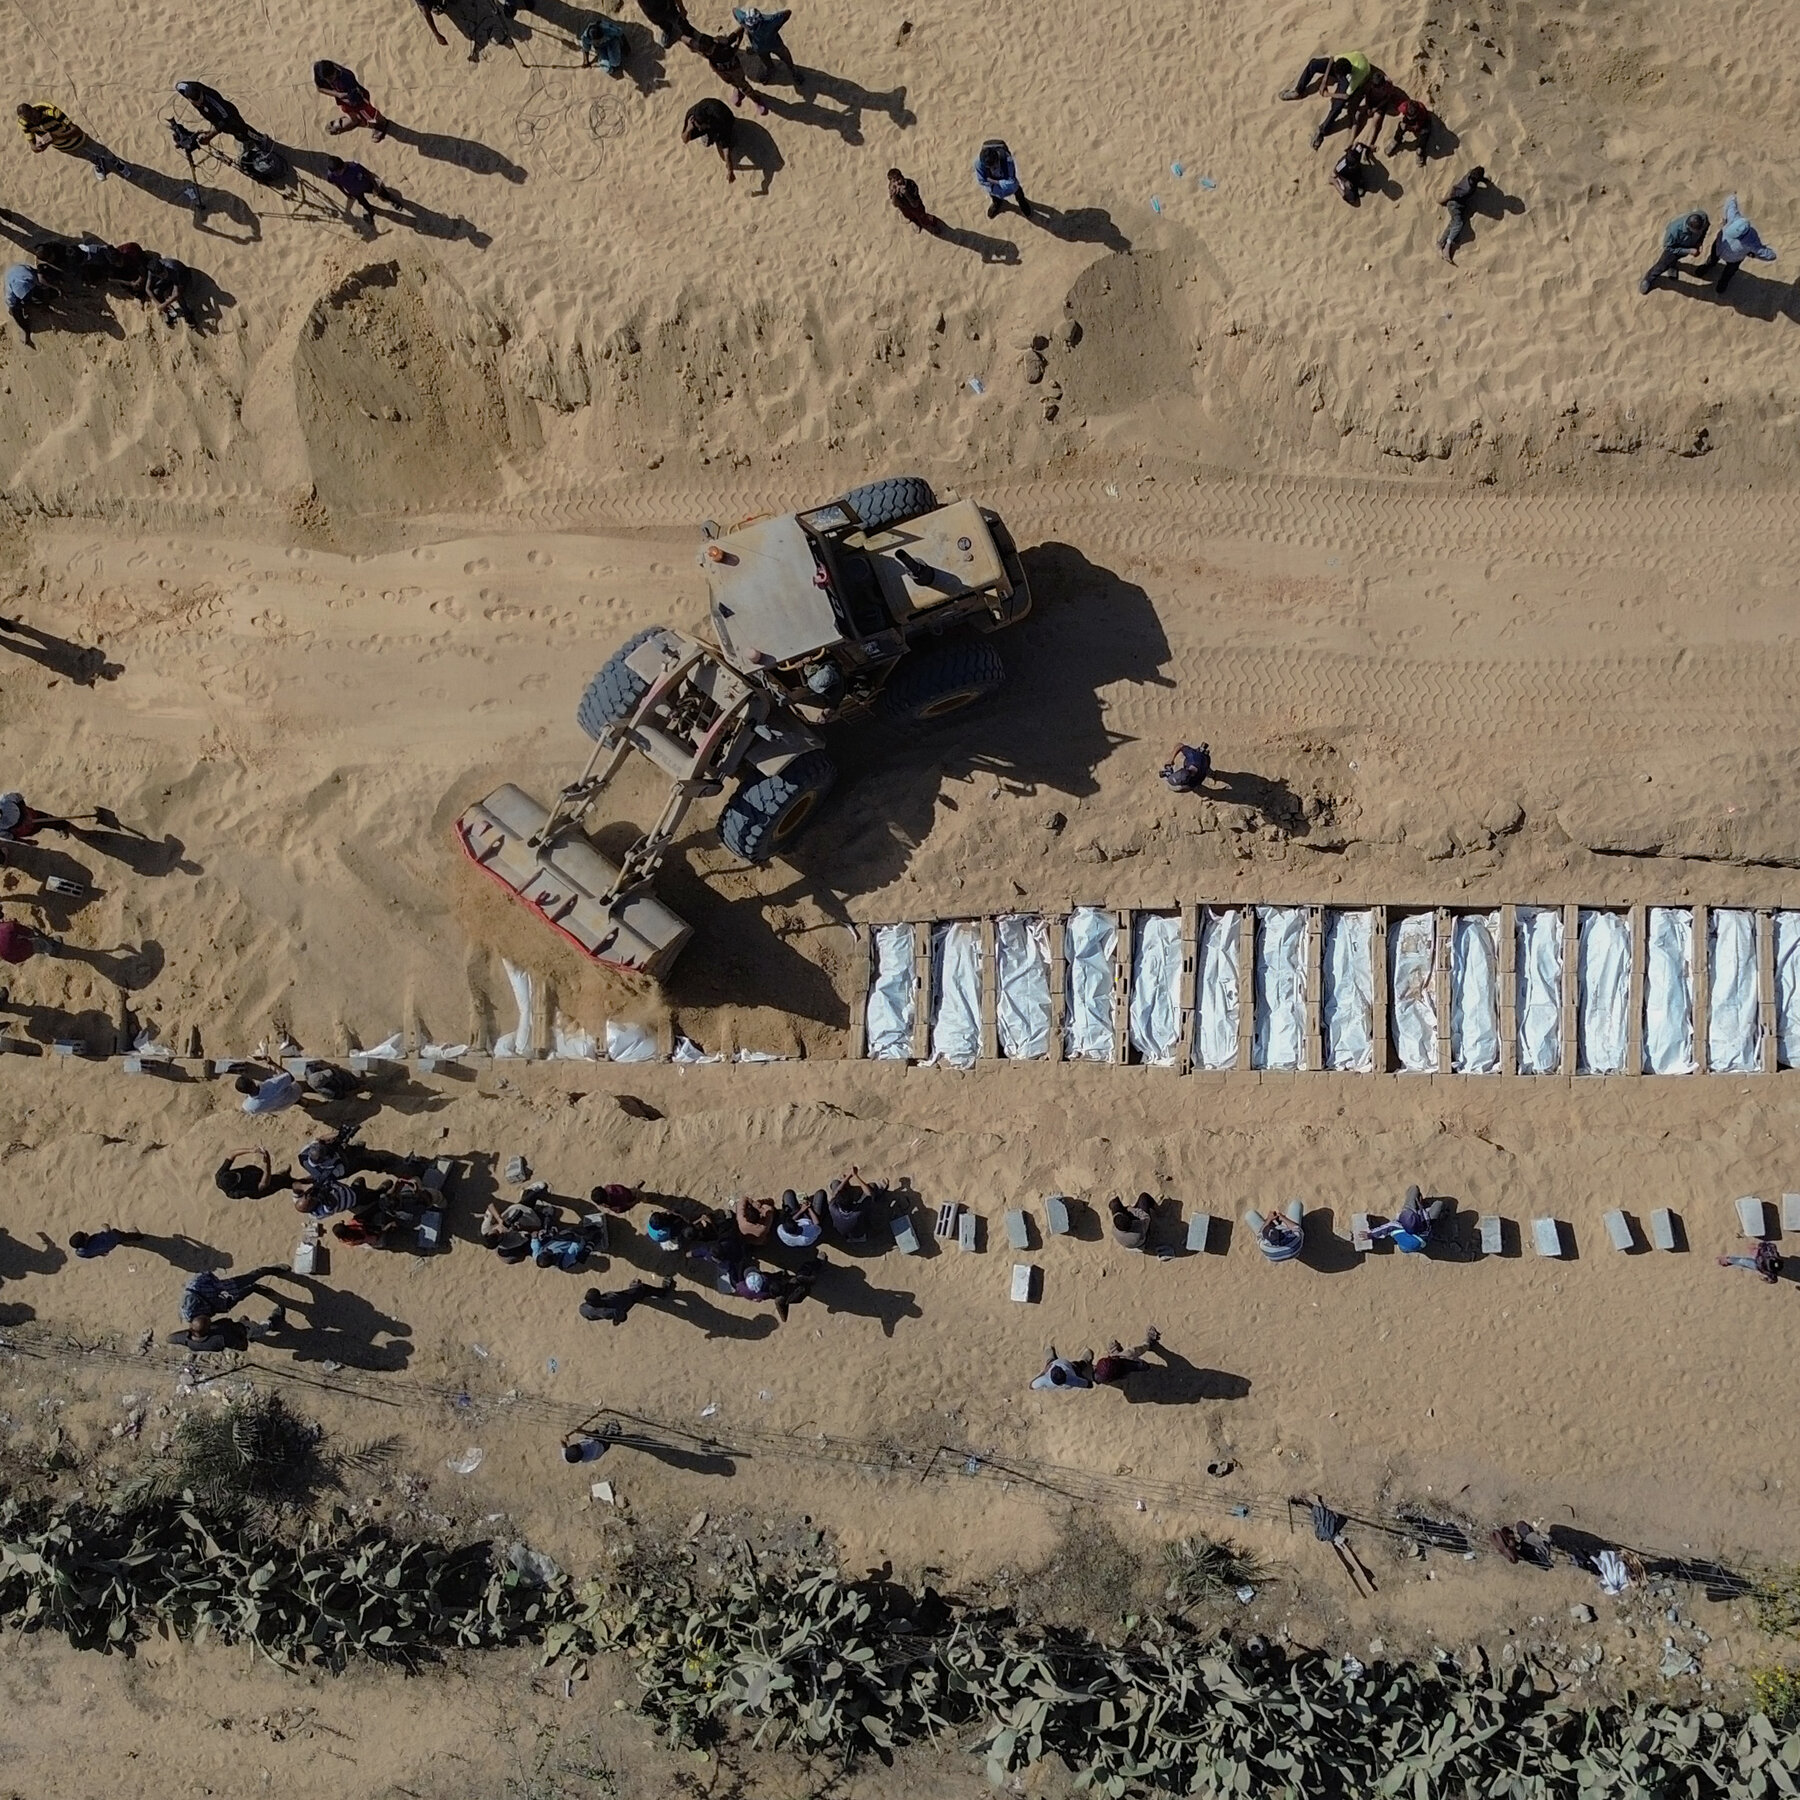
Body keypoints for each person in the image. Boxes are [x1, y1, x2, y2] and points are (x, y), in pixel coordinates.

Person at [17, 102, 125, 176]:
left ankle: (116, 162)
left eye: (34, 116)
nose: (34, 121)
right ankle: (98, 162)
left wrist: (56, 137)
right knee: (86, 156)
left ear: (33, 109)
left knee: (100, 150)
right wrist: (39, 147)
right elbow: (32, 146)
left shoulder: (51, 111)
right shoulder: (24, 123)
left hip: (79, 139)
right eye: (30, 120)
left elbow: (76, 130)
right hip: (63, 147)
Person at [1697, 194, 1777, 294]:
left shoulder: (1752, 241)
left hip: (1734, 259)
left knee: (1728, 273)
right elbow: (1730, 199)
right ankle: (1707, 266)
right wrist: (1725, 217)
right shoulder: (1734, 218)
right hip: (1718, 248)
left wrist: (1753, 254)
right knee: (1711, 260)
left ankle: (1722, 283)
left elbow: (1771, 256)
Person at [691, 32, 768, 113]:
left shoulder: (724, 47)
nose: (709, 52)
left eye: (710, 49)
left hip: (735, 70)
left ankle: (755, 98)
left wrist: (738, 40)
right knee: (733, 83)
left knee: (744, 86)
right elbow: (691, 46)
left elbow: (738, 33)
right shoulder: (706, 53)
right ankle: (737, 89)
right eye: (706, 51)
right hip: (724, 74)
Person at [1640, 210, 1710, 295]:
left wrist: (1700, 242)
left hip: (1689, 244)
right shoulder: (1673, 231)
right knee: (1662, 265)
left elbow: (1705, 228)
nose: (1699, 232)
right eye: (1697, 232)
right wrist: (1689, 250)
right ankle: (1648, 279)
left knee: (1677, 258)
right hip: (1674, 248)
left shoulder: (1703, 218)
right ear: (1688, 227)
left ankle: (1672, 265)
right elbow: (1669, 248)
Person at [314, 61, 387, 139]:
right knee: (348, 111)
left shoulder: (347, 77)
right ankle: (355, 120)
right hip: (342, 98)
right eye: (327, 79)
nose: (330, 81)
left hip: (358, 99)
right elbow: (320, 88)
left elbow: (357, 98)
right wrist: (338, 94)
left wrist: (351, 101)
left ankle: (381, 122)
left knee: (370, 113)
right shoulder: (319, 71)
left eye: (331, 78)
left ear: (335, 71)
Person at [733, 7, 802, 86]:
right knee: (766, 60)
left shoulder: (771, 20)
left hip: (775, 45)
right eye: (750, 27)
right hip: (760, 48)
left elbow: (788, 12)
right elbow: (734, 11)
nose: (752, 29)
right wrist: (742, 25)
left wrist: (777, 28)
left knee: (786, 57)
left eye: (754, 26)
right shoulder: (744, 19)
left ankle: (793, 70)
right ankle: (771, 69)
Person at [1437, 166, 1492, 262]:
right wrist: (1443, 200)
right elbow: (1452, 193)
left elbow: (1476, 176)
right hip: (1454, 205)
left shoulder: (1471, 173)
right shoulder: (1466, 189)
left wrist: (1483, 180)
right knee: (1458, 224)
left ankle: (1441, 243)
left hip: (1460, 205)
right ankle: (1448, 245)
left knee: (1453, 223)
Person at [1368, 1185, 1446, 1253]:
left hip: (1405, 1247)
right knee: (1439, 1204)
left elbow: (1382, 1230)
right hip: (1419, 1242)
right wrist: (1421, 1208)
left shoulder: (1396, 1227)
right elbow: (1426, 1220)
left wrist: (1370, 1234)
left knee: (1413, 1189)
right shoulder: (1425, 1227)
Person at [173, 81, 253, 145]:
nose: (198, 104)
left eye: (200, 101)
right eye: (196, 102)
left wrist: (210, 136)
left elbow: (224, 121)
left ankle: (258, 141)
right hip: (212, 115)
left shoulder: (213, 101)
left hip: (229, 115)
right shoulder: (183, 88)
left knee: (239, 128)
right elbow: (178, 85)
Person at [682, 98, 739, 183]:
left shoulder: (720, 121)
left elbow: (726, 150)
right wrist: (688, 129)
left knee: (725, 156)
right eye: (697, 126)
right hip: (710, 123)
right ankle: (710, 135)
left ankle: (717, 135)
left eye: (700, 127)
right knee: (697, 135)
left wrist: (730, 170)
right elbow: (684, 140)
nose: (699, 129)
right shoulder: (691, 118)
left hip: (726, 118)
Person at [974, 140, 1033, 219]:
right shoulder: (978, 163)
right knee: (993, 195)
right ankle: (997, 203)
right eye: (988, 166)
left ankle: (1022, 201)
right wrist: (994, 188)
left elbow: (1011, 182)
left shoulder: (1007, 160)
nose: (991, 168)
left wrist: (994, 181)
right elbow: (982, 180)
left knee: (1017, 190)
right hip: (993, 187)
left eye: (993, 165)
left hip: (1004, 180)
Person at [324, 156, 399, 219]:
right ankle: (369, 209)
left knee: (381, 192)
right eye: (336, 172)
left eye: (339, 171)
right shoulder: (332, 175)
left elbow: (369, 174)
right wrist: (345, 194)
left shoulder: (354, 166)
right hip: (354, 192)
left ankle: (391, 200)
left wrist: (375, 186)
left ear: (343, 165)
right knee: (362, 202)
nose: (338, 173)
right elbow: (337, 184)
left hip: (367, 185)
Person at [580, 1275, 676, 1322]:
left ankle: (636, 1292)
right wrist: (618, 1318)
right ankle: (663, 1292)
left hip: (619, 1300)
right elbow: (622, 1316)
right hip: (623, 1302)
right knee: (642, 1289)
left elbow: (590, 1317)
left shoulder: (583, 1309)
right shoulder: (607, 1309)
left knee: (631, 1293)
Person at [4, 263, 57, 347]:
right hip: (15, 286)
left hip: (19, 272)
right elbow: (22, 305)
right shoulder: (15, 293)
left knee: (52, 293)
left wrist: (46, 303)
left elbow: (45, 288)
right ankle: (26, 330)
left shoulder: (32, 275)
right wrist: (41, 307)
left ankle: (33, 300)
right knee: (16, 312)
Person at [1092, 1326, 1162, 1387]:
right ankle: (1150, 1341)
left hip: (1115, 1376)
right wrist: (1147, 1343)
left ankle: (1115, 1351)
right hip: (1126, 1366)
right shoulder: (1129, 1354)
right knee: (1143, 1366)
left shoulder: (1098, 1376)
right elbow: (1142, 1349)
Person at [1244, 1198, 1306, 1262]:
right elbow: (1296, 1227)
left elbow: (1260, 1233)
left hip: (1275, 1256)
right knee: (1296, 1204)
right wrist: (1282, 1218)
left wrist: (1268, 1219)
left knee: (1249, 1215)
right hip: (1294, 1251)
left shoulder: (1264, 1245)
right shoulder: (1295, 1238)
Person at [888, 168, 944, 236]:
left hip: (917, 208)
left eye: (898, 179)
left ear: (902, 177)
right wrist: (894, 195)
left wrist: (906, 193)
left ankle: (931, 226)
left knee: (923, 217)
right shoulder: (892, 187)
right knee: (909, 216)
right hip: (904, 208)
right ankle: (916, 222)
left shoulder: (911, 185)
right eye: (894, 181)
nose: (897, 183)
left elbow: (915, 204)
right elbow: (895, 205)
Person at [215, 1148, 289, 1198]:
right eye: (238, 1178)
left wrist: (251, 1150)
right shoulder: (237, 1193)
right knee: (285, 1183)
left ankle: (281, 1176)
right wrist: (267, 1164)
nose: (239, 1174)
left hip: (251, 1173)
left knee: (277, 1178)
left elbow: (232, 1154)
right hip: (260, 1187)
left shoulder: (220, 1174)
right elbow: (264, 1184)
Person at [1387, 95, 1434, 163]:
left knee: (1424, 132)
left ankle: (1420, 150)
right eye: (1410, 115)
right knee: (1401, 126)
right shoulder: (1403, 107)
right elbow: (1398, 108)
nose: (1411, 117)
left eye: (1413, 116)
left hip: (1422, 122)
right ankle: (1396, 140)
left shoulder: (1422, 112)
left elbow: (1417, 127)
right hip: (1409, 121)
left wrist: (1408, 127)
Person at [825, 1169, 869, 1242]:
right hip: (856, 1232)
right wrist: (856, 1176)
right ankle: (859, 1238)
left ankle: (849, 1237)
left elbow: (836, 1193)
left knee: (835, 1183)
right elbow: (868, 1194)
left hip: (841, 1231)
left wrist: (847, 1177)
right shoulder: (857, 1213)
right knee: (871, 1187)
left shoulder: (832, 1207)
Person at [1719, 1238, 1784, 1283]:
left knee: (1743, 1261)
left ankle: (1728, 1260)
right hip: (1758, 1262)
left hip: (1757, 1265)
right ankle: (1728, 1260)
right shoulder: (1771, 1271)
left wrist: (1765, 1279)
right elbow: (1773, 1280)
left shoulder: (1769, 1255)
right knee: (1743, 1261)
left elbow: (1773, 1280)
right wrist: (1758, 1246)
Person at [1331, 139, 1371, 205]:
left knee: (1361, 191)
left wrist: (1369, 149)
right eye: (1352, 165)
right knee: (1352, 198)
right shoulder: (1341, 165)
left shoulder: (1357, 151)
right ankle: (1335, 182)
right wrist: (1345, 181)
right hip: (1346, 176)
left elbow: (1359, 144)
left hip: (1355, 173)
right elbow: (1335, 172)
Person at [70, 1225, 142, 1258]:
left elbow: (89, 1255)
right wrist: (107, 1229)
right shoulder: (97, 1241)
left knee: (117, 1241)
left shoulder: (80, 1252)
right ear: (85, 1241)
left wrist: (100, 1253)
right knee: (120, 1236)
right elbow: (110, 1236)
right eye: (85, 1235)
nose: (86, 1233)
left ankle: (121, 1242)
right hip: (111, 1242)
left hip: (105, 1249)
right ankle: (138, 1236)